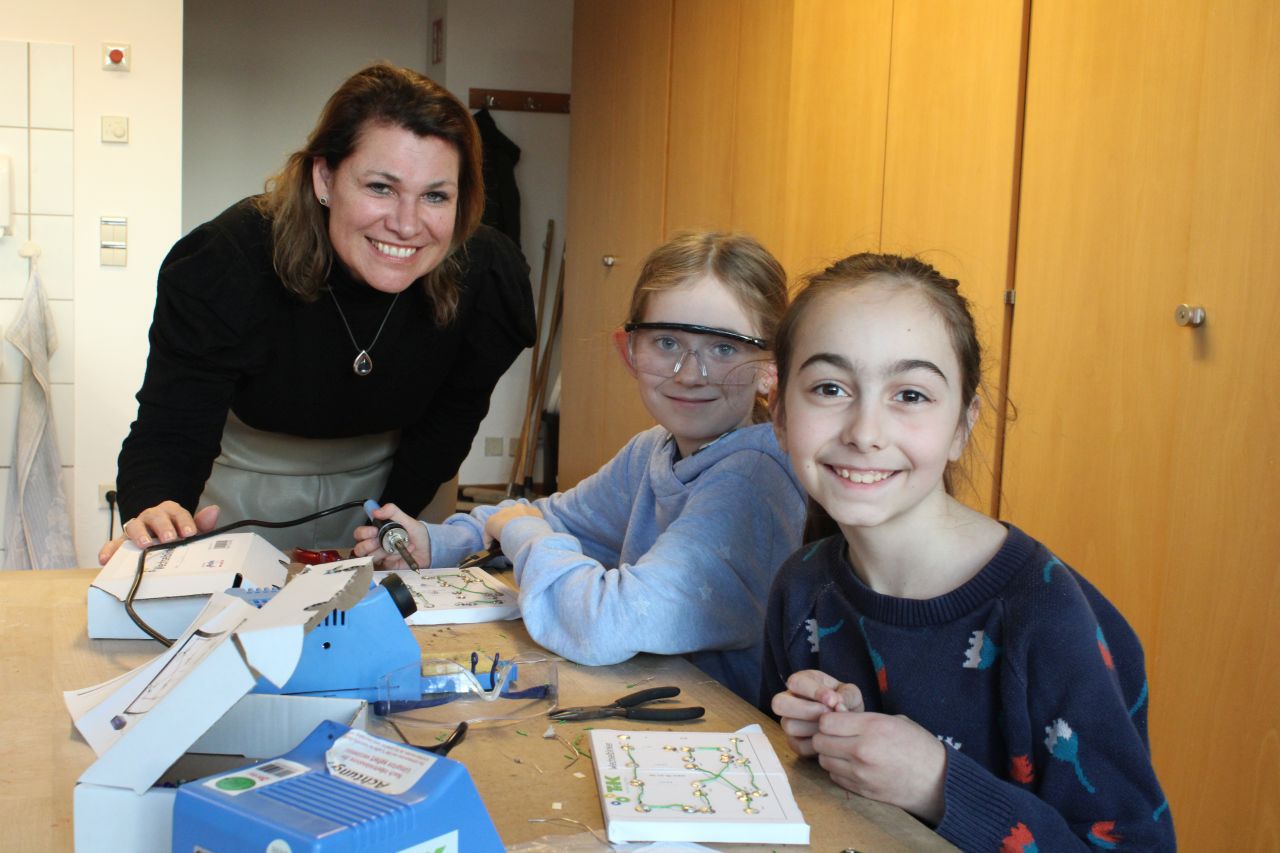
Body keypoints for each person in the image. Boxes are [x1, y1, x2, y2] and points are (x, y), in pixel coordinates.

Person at [763, 254, 1175, 850]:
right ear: (778, 413)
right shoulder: (801, 585)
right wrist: (820, 740)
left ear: (962, 425)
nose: (865, 431)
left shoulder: (1048, 618)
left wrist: (937, 784)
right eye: (830, 388)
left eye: (910, 394)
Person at [98, 63, 535, 563]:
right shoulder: (228, 261)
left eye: (435, 195)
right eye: (380, 187)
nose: (407, 224)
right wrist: (159, 513)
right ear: (324, 177)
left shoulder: (487, 277)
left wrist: (382, 533)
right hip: (242, 486)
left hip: (407, 481)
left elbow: (450, 423)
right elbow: (173, 427)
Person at [356, 232, 807, 703]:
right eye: (668, 342)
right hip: (664, 697)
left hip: (725, 731)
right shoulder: (654, 450)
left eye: (725, 348)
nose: (690, 374)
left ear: (770, 365)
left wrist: (525, 534)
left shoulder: (752, 478)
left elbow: (604, 624)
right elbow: (550, 516)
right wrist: (437, 543)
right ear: (629, 350)